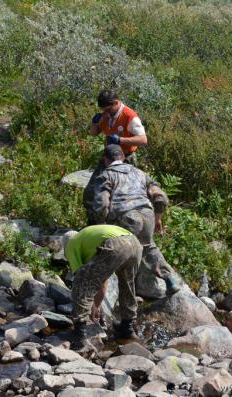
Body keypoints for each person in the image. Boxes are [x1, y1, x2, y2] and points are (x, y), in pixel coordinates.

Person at [89, 144, 180, 295]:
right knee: (148, 246)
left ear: (105, 159)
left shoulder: (105, 175)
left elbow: (102, 203)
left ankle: (119, 296)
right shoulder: (140, 173)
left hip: (125, 216)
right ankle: (170, 280)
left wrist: (101, 224)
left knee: (119, 254)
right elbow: (160, 197)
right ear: (123, 157)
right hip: (147, 214)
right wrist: (157, 218)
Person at [63, 225, 143, 349]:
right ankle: (127, 329)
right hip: (135, 243)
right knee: (127, 284)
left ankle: (79, 333)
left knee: (81, 282)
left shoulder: (71, 243)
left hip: (115, 244)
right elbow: (101, 278)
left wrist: (86, 306)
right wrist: (97, 305)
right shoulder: (88, 239)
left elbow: (83, 279)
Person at [84, 90, 148, 224]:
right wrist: (95, 123)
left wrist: (120, 140)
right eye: (103, 110)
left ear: (116, 103)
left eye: (107, 109)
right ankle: (93, 224)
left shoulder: (129, 116)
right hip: (107, 157)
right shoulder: (106, 115)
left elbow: (143, 140)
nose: (105, 113)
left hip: (126, 158)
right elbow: (93, 133)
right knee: (92, 190)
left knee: (123, 194)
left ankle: (124, 224)